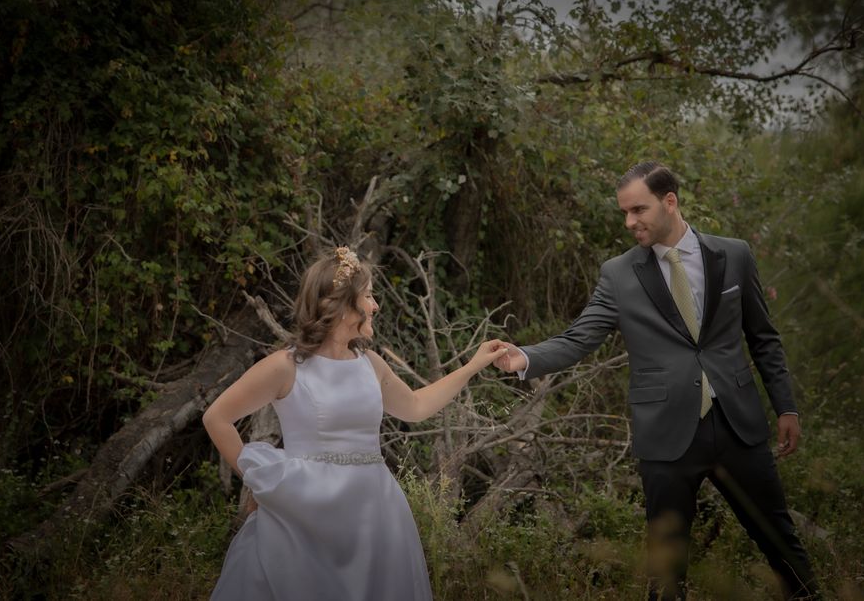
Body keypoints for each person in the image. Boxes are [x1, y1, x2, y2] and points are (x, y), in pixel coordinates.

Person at [493, 162, 818, 600]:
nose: (630, 222)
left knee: (784, 549)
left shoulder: (734, 254)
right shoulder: (619, 274)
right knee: (665, 571)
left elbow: (764, 338)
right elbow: (579, 338)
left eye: (638, 210)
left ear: (670, 201)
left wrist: (787, 407)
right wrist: (525, 357)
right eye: (624, 213)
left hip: (740, 428)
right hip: (666, 437)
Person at [203, 246, 506, 600]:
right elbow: (217, 417)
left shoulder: (370, 363)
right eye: (369, 296)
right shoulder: (286, 366)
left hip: (373, 510)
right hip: (306, 510)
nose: (375, 305)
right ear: (342, 304)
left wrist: (472, 366)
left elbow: (416, 406)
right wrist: (258, 479)